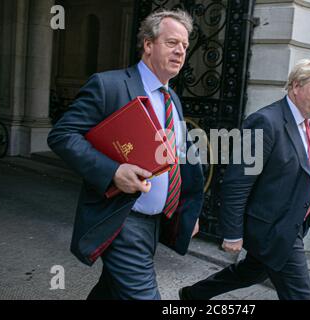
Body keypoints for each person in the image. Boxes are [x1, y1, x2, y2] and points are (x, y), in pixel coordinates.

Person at [47, 9, 204, 300]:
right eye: (172, 43)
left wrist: (188, 211)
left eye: (184, 45)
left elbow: (179, 161)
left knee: (111, 292)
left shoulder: (173, 99)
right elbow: (62, 135)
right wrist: (113, 172)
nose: (181, 51)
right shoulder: (109, 85)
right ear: (148, 45)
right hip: (122, 219)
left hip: (153, 224)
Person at [179, 57, 310, 300]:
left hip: (290, 223)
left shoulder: (305, 123)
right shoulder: (264, 121)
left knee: (250, 273)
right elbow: (237, 181)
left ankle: (193, 295)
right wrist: (232, 232)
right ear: (296, 86)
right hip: (274, 230)